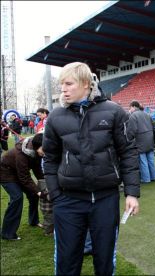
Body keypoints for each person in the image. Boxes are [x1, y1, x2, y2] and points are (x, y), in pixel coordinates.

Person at [42, 62, 140, 275]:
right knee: (67, 262)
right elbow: (49, 159)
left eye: (69, 83)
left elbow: (129, 152)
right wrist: (56, 195)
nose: (63, 89)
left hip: (105, 199)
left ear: (86, 84)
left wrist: (132, 192)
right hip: (67, 201)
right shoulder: (55, 117)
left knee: (104, 261)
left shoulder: (114, 112)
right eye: (61, 84)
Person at [0, 133, 45, 240]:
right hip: (5, 172)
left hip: (18, 172)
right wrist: (38, 191)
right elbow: (24, 178)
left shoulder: (37, 152)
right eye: (45, 148)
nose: (46, 151)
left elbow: (37, 169)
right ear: (37, 146)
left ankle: (33, 221)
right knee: (17, 197)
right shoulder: (21, 155)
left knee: (33, 195)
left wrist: (44, 182)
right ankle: (7, 233)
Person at [128, 100, 155, 184]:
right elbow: (154, 126)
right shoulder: (147, 114)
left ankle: (146, 179)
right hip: (149, 139)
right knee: (151, 160)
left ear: (133, 106)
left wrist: (129, 140)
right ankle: (154, 176)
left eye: (130, 107)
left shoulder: (133, 116)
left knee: (143, 161)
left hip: (140, 140)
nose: (129, 109)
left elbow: (131, 130)